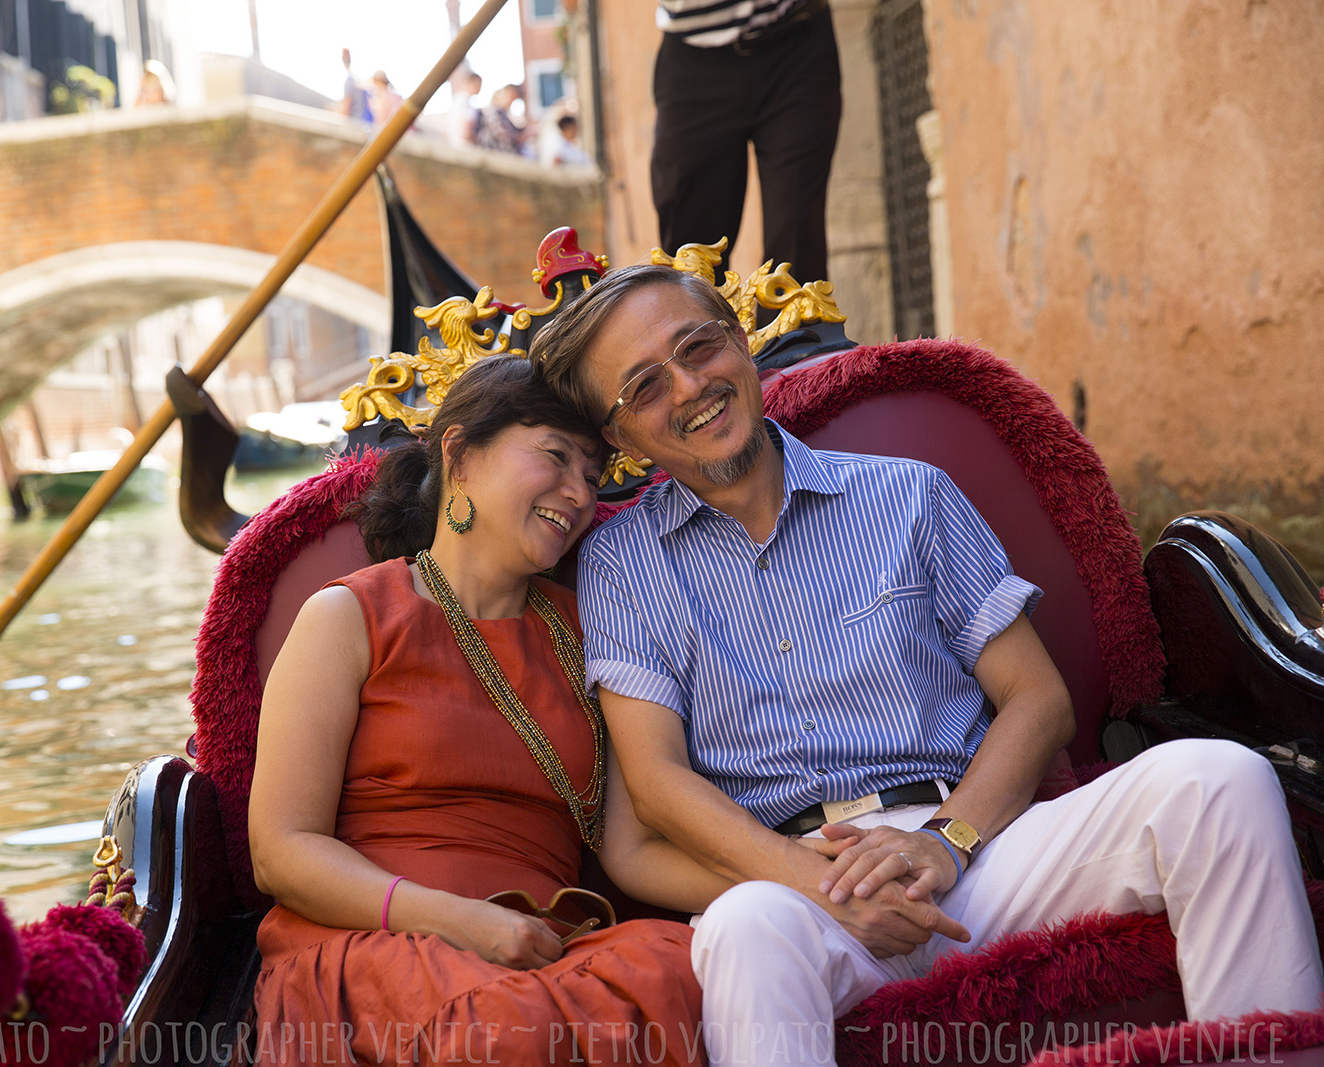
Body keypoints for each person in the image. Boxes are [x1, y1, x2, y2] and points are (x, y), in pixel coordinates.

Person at [529, 264, 1324, 1065]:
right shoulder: (623, 564)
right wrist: (821, 887)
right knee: (741, 928)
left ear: (739, 344)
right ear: (621, 438)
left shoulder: (910, 494)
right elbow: (657, 783)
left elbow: (1036, 699)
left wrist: (947, 842)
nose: (690, 385)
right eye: (643, 387)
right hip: (794, 883)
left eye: (698, 346)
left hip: (976, 850)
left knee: (1220, 780)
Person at [247, 357, 728, 1064]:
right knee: (507, 1025)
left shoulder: (598, 630)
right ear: (460, 454)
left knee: (684, 965)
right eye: (556, 456)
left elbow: (633, 847)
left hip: (540, 948)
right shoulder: (348, 615)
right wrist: (462, 921)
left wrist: (797, 875)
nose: (578, 493)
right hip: (370, 945)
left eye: (592, 474)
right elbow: (281, 851)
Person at [651, 0, 842, 284]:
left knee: (797, 237)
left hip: (796, 41)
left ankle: (795, 331)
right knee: (691, 257)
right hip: (693, 59)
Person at [475, 83, 525, 154]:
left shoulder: (504, 113)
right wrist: (525, 136)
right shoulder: (493, 112)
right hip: (496, 155)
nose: (511, 101)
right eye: (511, 97)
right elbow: (506, 138)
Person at [448, 70, 483, 147]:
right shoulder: (465, 103)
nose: (480, 89)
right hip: (464, 146)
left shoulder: (458, 99)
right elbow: (466, 131)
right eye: (479, 85)